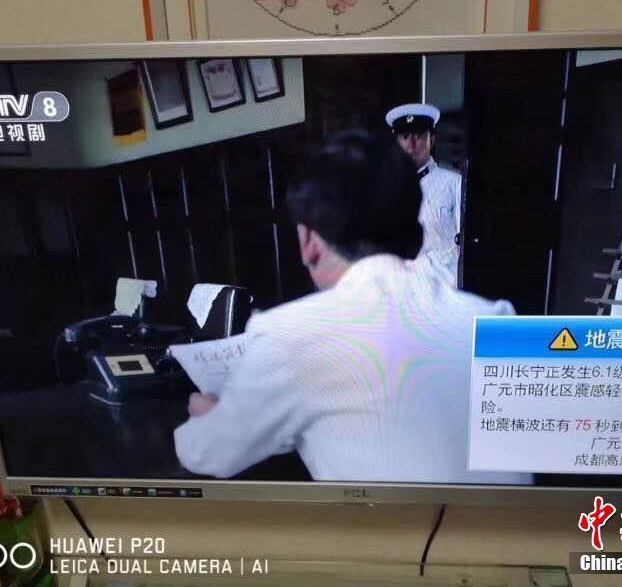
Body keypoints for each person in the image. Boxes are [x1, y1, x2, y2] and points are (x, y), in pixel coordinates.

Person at [174, 131, 522, 484]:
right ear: (414, 233)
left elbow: (206, 453)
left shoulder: (288, 334)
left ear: (308, 241)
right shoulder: (496, 317)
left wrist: (208, 415)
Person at [386, 103, 462, 288]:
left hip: (444, 290)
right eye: (405, 137)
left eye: (419, 136)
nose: (411, 144)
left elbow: (463, 249)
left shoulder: (454, 183)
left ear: (432, 139)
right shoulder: (388, 189)